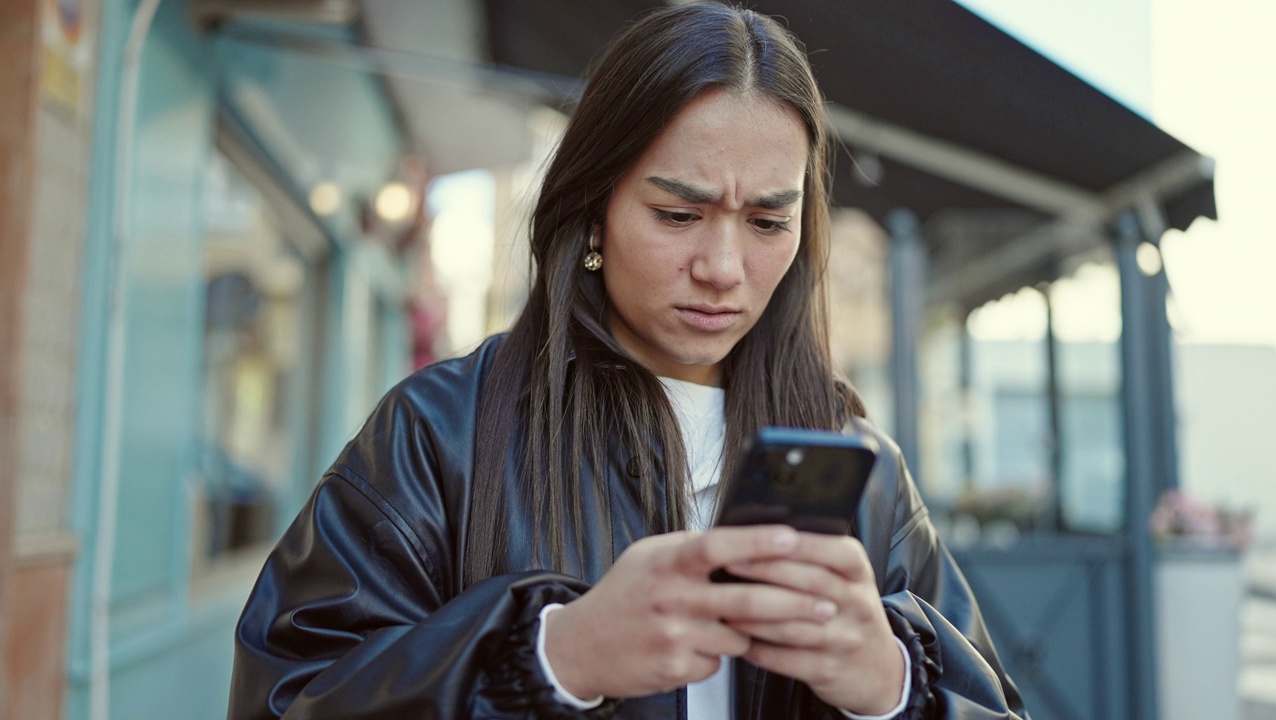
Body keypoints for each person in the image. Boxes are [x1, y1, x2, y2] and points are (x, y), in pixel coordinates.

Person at [227, 3, 1028, 719]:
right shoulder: (441, 434)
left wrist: (891, 686)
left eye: (766, 222)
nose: (722, 266)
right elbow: (288, 695)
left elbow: (992, 702)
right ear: (594, 208)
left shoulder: (862, 466)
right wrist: (552, 659)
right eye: (678, 214)